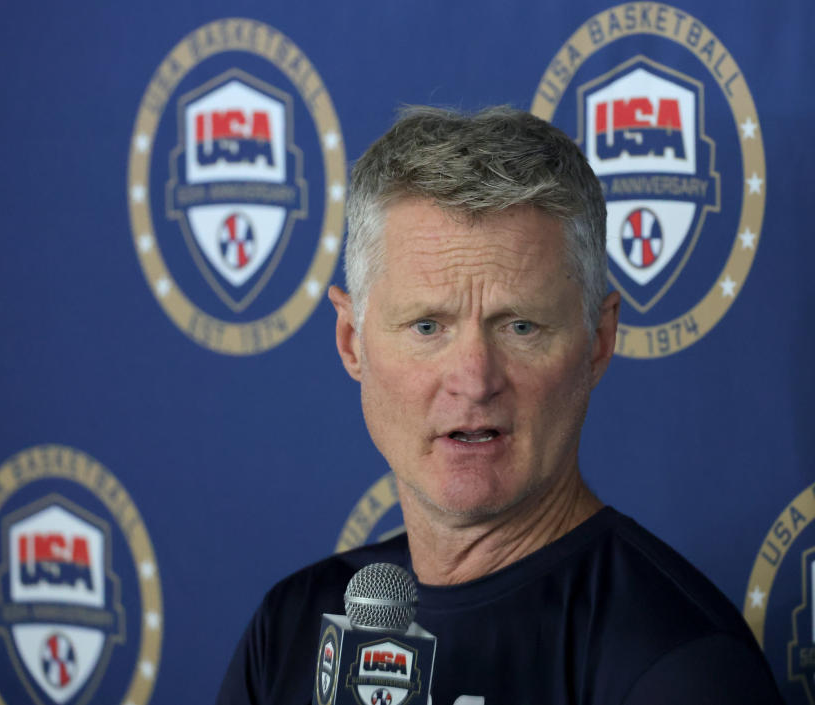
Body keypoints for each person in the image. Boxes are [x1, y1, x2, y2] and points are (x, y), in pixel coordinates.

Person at [216, 106, 783, 704]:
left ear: (598, 342)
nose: (474, 379)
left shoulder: (679, 666)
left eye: (520, 326)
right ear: (352, 341)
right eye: (428, 325)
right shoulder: (288, 632)